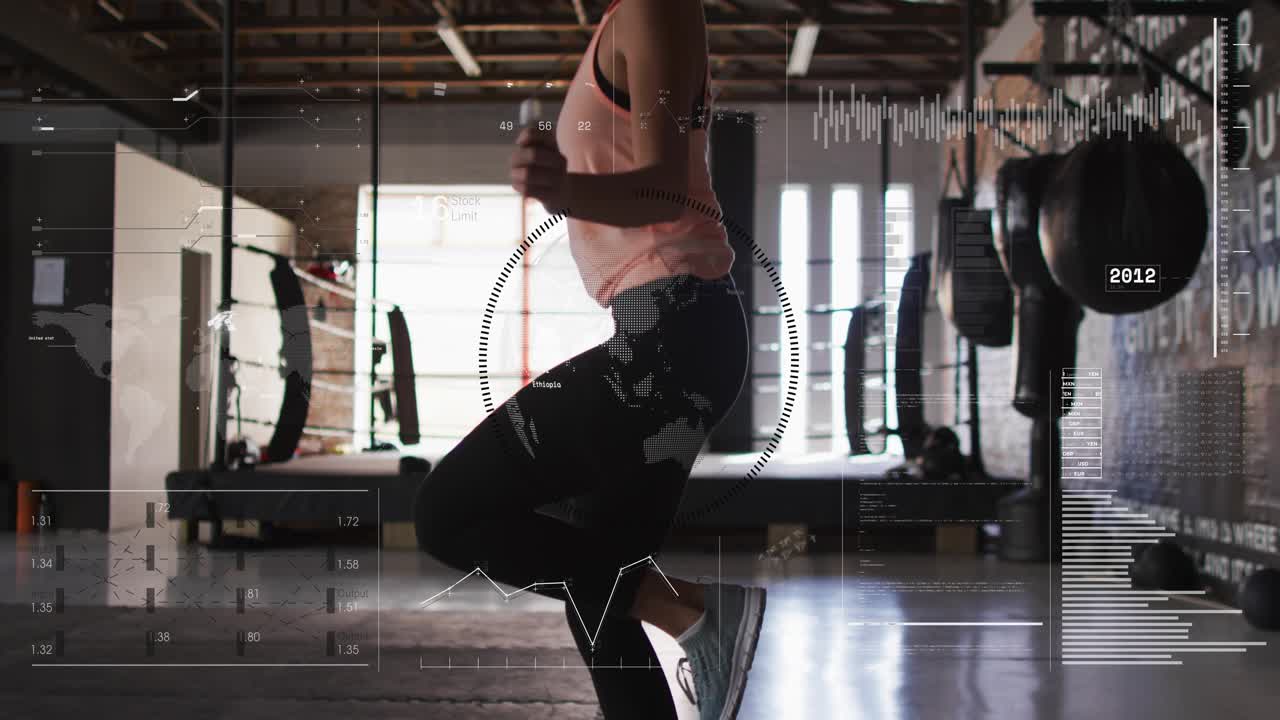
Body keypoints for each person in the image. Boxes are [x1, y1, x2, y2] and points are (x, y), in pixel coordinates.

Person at [413, 1, 765, 718]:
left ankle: (693, 613)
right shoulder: (623, 22)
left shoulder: (654, 7)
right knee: (598, 588)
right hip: (662, 331)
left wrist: (561, 188)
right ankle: (695, 617)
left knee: (450, 512)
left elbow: (663, 181)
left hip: (674, 333)